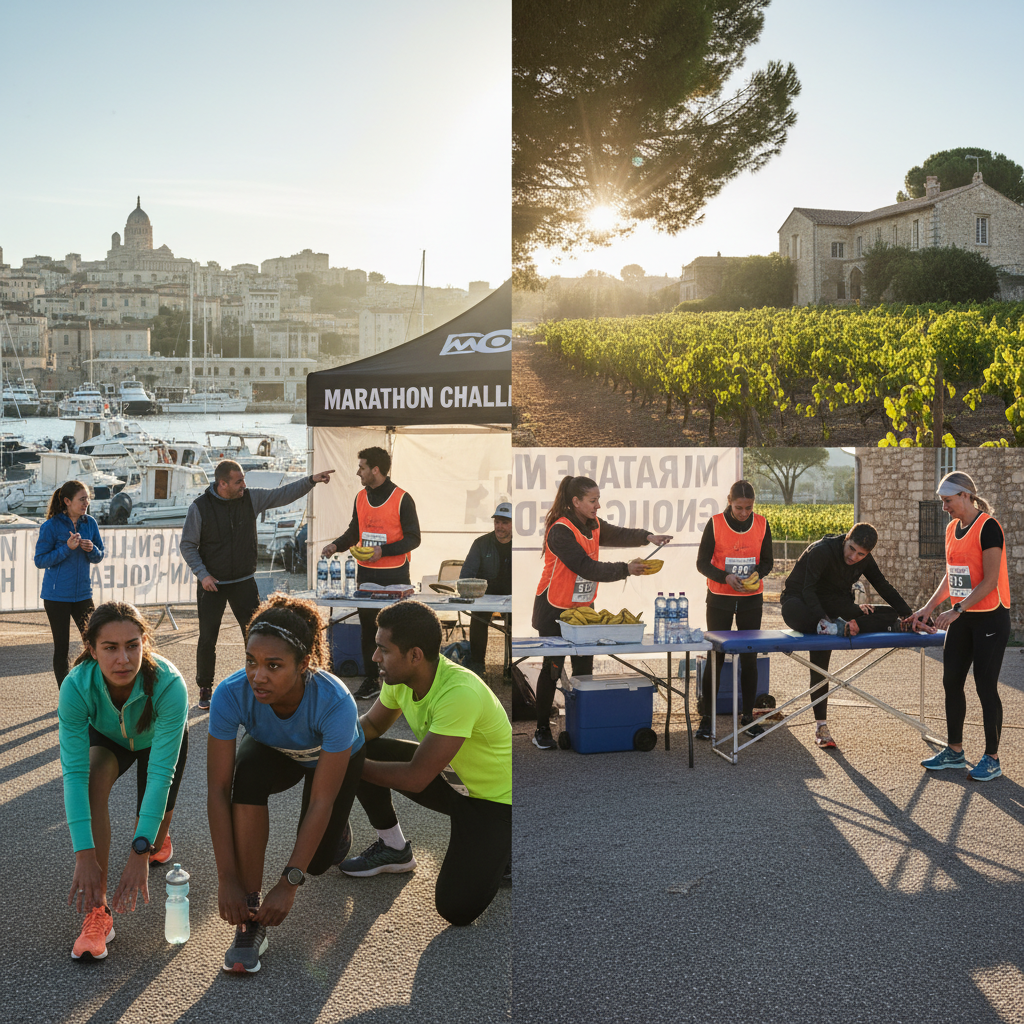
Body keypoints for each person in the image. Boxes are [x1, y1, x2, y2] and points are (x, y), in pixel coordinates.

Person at [207, 594, 365, 973]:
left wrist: (289, 883)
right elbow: (217, 790)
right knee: (247, 773)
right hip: (274, 751)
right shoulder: (230, 694)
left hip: (328, 759)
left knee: (320, 860)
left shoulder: (335, 700)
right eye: (251, 661)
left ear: (303, 664)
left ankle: (337, 836)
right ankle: (250, 917)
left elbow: (321, 802)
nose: (258, 675)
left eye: (273, 666)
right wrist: (227, 878)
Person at [339, 600, 511, 926]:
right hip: (453, 781)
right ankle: (393, 848)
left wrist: (342, 765)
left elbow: (416, 778)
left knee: (455, 909)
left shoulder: (459, 692)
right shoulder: (399, 679)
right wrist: (332, 746)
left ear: (415, 655)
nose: (375, 657)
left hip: (496, 803)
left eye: (383, 650)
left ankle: (510, 846)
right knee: (356, 748)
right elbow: (371, 727)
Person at [58, 602, 189, 961]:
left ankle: (158, 840)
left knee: (151, 842)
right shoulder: (76, 686)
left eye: (132, 645)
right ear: (91, 649)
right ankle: (97, 913)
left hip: (157, 743)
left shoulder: (169, 684)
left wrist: (139, 854)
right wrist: (83, 854)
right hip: (110, 740)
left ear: (145, 642)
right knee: (92, 777)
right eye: (110, 648)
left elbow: (161, 775)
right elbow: (72, 773)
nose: (123, 659)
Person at [531, 475, 672, 751]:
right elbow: (586, 567)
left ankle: (582, 725)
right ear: (576, 502)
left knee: (584, 668)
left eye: (598, 499)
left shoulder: (593, 524)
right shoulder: (560, 530)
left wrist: (647, 537)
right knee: (553, 668)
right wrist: (625, 569)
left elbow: (618, 533)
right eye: (592, 500)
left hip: (584, 608)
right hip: (554, 609)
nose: (598, 505)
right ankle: (542, 729)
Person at [181, 459, 335, 710]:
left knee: (255, 636)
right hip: (213, 583)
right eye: (239, 481)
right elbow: (187, 545)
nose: (244, 485)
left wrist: (311, 481)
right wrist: (203, 574)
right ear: (222, 484)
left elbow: (281, 495)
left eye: (244, 480)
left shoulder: (250, 498)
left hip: (243, 580)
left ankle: (256, 683)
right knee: (208, 638)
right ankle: (205, 688)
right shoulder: (199, 507)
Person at [911, 472, 1011, 782]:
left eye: (947, 501)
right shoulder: (953, 528)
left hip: (990, 618)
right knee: (951, 681)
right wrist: (929, 607)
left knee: (985, 686)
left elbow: (990, 580)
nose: (944, 507)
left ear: (965, 496)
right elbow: (952, 574)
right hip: (962, 617)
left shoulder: (989, 528)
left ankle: (992, 759)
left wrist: (957, 609)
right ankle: (955, 751)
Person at [780, 522, 914, 749]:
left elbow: (882, 585)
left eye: (861, 554)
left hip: (835, 607)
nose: (853, 557)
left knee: (886, 611)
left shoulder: (864, 559)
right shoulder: (821, 550)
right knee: (803, 626)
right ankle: (821, 725)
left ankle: (898, 624)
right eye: (851, 549)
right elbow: (808, 590)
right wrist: (823, 620)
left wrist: (910, 615)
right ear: (846, 540)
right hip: (803, 604)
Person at [321, 446, 421, 702]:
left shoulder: (402, 498)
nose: (358, 472)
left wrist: (383, 551)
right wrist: (336, 545)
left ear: (375, 470)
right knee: (368, 630)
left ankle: (403, 682)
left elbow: (414, 538)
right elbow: (355, 530)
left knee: (398, 632)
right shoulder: (360, 497)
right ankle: (371, 679)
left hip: (396, 575)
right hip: (366, 574)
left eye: (362, 467)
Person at [695, 480, 774, 739]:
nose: (743, 513)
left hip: (752, 599)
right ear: (729, 501)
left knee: (749, 658)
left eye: (748, 508)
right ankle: (707, 718)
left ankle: (748, 717)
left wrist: (757, 573)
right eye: (739, 507)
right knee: (715, 658)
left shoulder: (762, 524)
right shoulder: (715, 523)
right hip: (720, 598)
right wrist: (724, 577)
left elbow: (768, 562)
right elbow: (702, 563)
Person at [34, 481, 105, 688]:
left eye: (88, 498)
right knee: (62, 648)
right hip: (56, 597)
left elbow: (99, 555)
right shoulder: (51, 526)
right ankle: (67, 697)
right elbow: (40, 560)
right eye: (82, 499)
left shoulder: (90, 522)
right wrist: (67, 548)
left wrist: (91, 549)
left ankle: (94, 689)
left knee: (94, 644)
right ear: (67, 501)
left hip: (83, 594)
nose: (86, 503)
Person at [459, 500, 513, 676]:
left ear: (514, 524)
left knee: (517, 622)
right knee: (478, 617)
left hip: (513, 597)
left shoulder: (522, 545)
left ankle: (514, 667)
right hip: (485, 596)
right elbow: (466, 575)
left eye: (504, 522)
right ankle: (477, 666)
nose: (499, 526)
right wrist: (476, 591)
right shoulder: (481, 543)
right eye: (497, 522)